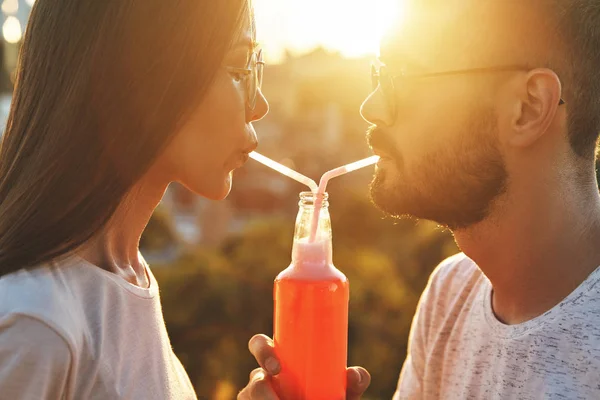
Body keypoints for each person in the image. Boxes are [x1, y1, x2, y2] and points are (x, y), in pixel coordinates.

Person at [240, 0, 600, 398]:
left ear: (527, 107)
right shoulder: (451, 292)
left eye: (403, 76)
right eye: (378, 75)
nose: (371, 106)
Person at [0, 0, 269, 398]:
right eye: (238, 67)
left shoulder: (128, 278)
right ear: (144, 74)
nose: (259, 105)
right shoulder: (35, 323)